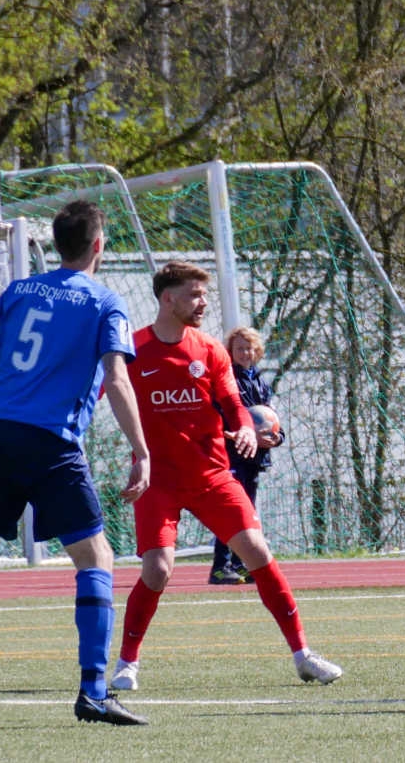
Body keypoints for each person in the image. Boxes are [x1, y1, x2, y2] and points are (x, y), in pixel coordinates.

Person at [0, 200, 151, 726]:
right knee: (97, 559)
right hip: (51, 443)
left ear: (58, 243)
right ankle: (93, 691)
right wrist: (141, 449)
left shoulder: (18, 291)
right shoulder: (106, 303)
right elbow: (116, 380)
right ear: (98, 246)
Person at [109, 261, 341, 692]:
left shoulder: (211, 349)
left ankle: (302, 654)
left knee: (256, 549)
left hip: (211, 473)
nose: (203, 302)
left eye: (204, 294)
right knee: (158, 570)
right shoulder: (133, 349)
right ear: (168, 298)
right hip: (158, 478)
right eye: (195, 294)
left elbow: (232, 404)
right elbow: (96, 392)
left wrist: (247, 430)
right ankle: (126, 664)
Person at [208, 326, 284, 585]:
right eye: (240, 348)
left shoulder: (261, 384)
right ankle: (221, 566)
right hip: (233, 457)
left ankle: (240, 565)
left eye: (250, 348)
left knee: (247, 512)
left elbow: (272, 420)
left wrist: (275, 437)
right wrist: (242, 435)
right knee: (233, 513)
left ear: (258, 351)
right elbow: (221, 419)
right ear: (231, 352)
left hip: (254, 458)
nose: (245, 353)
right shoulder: (227, 379)